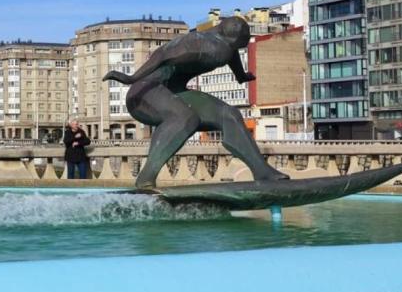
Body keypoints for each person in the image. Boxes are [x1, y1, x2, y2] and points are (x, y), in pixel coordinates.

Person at [103, 16, 288, 190]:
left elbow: (233, 58)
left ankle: (262, 172)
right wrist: (131, 78)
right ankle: (146, 178)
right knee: (184, 117)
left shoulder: (226, 47)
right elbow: (162, 55)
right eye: (239, 44)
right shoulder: (198, 42)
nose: (236, 49)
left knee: (229, 115)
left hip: (175, 93)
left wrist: (241, 76)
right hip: (144, 93)